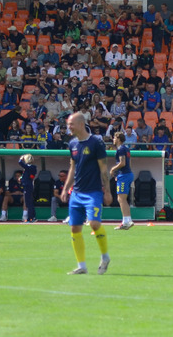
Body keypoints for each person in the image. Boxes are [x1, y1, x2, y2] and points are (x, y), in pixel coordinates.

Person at [63, 112, 111, 275]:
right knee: (75, 229)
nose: (69, 127)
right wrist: (65, 188)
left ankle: (105, 257)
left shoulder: (96, 143)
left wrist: (108, 191)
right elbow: (72, 168)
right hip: (76, 193)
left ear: (81, 124)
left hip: (93, 192)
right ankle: (81, 266)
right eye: (68, 124)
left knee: (93, 223)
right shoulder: (72, 144)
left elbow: (104, 169)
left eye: (71, 124)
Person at [108, 132, 134, 230]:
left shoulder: (121, 149)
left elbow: (122, 163)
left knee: (121, 199)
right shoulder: (126, 149)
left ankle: (127, 221)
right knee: (122, 198)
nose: (113, 139)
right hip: (126, 174)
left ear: (118, 139)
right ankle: (126, 220)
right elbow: (129, 162)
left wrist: (113, 169)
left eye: (114, 137)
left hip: (124, 175)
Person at [18, 153, 37, 223]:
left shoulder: (31, 167)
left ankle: (30, 218)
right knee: (29, 202)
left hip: (28, 186)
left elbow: (20, 163)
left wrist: (21, 158)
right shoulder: (29, 167)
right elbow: (27, 175)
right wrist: (21, 178)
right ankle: (33, 217)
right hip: (27, 185)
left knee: (28, 203)